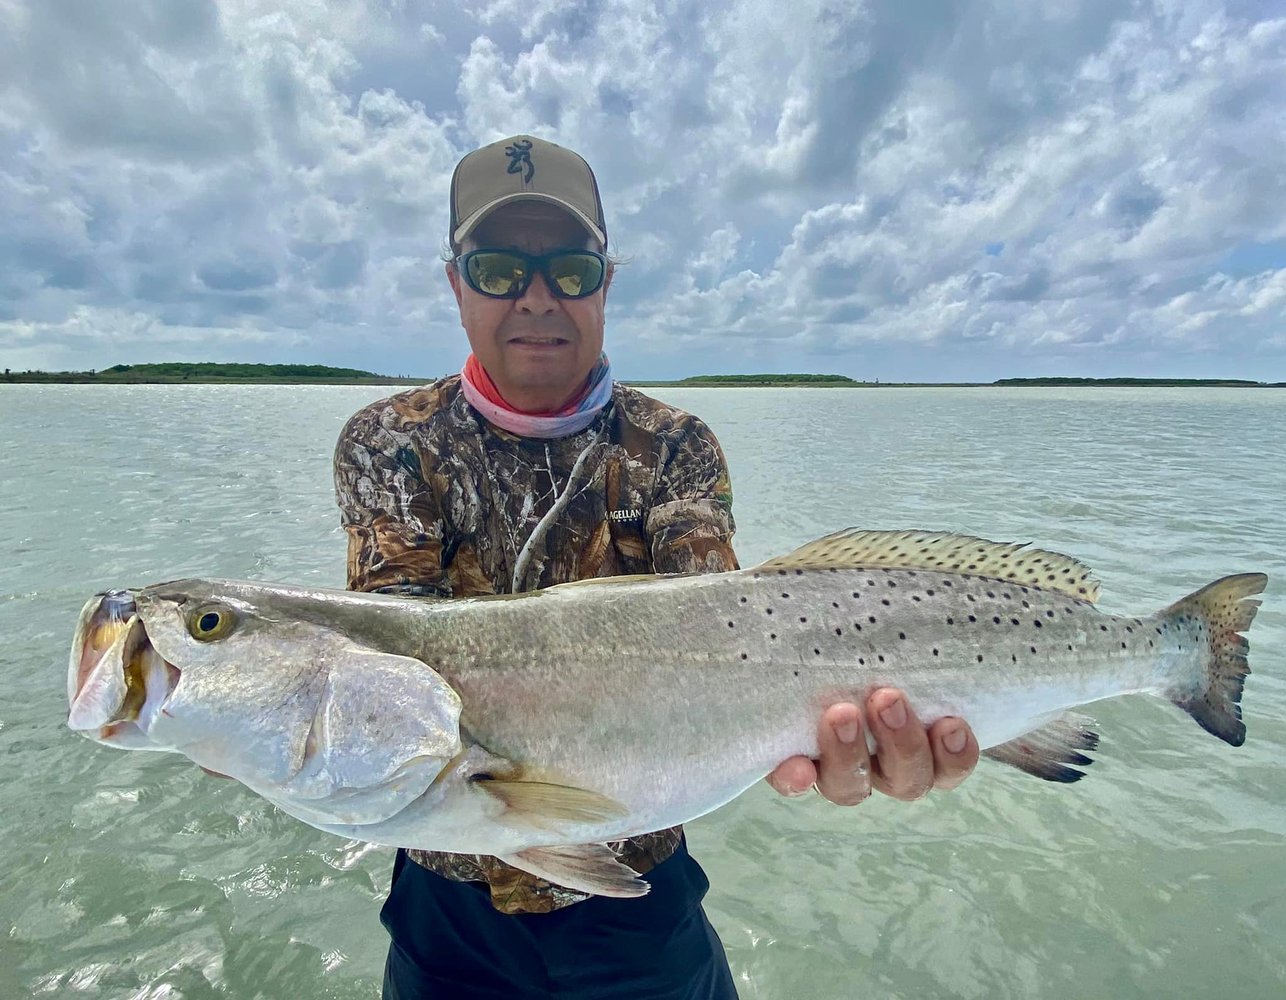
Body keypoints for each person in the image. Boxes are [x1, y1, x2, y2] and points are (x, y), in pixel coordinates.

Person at [332, 135, 979, 999]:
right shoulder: (389, 443)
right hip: (449, 910)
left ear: (606, 281)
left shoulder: (675, 447)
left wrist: (830, 733)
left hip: (643, 896)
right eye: (495, 268)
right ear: (455, 283)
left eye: (568, 268)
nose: (536, 299)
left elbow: (733, 629)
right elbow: (391, 670)